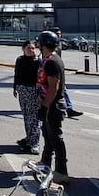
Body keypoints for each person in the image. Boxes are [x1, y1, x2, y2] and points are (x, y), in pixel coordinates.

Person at [36, 30, 69, 184]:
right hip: (49, 103)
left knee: (56, 138)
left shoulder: (52, 62)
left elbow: (53, 87)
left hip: (53, 105)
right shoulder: (51, 59)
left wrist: (45, 106)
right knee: (48, 137)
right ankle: (45, 163)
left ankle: (62, 170)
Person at [13, 40, 41, 155]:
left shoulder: (38, 61)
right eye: (29, 48)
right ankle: (29, 138)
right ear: (23, 49)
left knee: (34, 118)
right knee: (26, 116)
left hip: (33, 91)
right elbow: (17, 74)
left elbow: (40, 79)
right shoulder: (20, 60)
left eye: (33, 48)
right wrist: (15, 87)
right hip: (22, 90)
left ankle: (35, 143)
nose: (31, 50)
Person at [51, 27, 83, 118]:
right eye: (57, 34)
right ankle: (64, 108)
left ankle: (68, 108)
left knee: (62, 89)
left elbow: (67, 45)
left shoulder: (59, 43)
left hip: (59, 69)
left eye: (59, 34)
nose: (59, 35)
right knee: (59, 90)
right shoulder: (50, 44)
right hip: (52, 70)